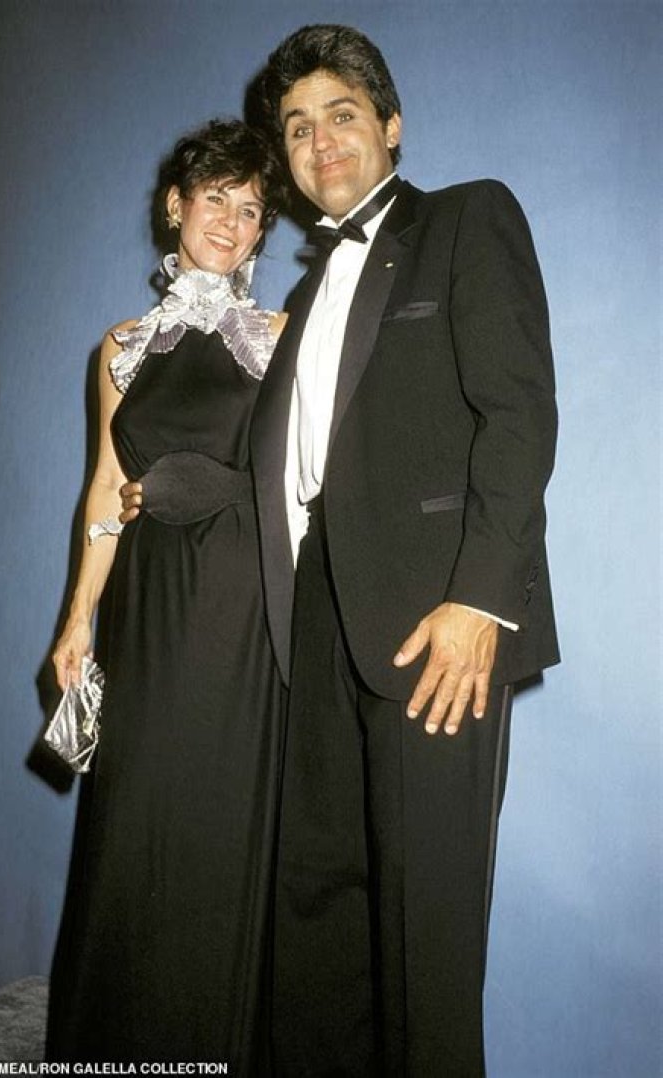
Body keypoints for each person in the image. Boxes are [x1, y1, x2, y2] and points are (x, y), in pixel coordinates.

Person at [246, 25, 560, 1077]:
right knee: (315, 915)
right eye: (298, 127)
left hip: (439, 627)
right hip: (316, 627)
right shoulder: (299, 300)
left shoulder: (468, 217)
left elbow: (518, 415)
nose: (320, 141)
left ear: (391, 125)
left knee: (427, 939)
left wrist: (482, 599)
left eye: (341, 115)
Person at [45, 119, 287, 1070]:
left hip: (241, 607)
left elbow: (307, 483)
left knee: (218, 824)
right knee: (133, 821)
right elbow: (107, 488)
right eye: (214, 198)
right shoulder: (120, 346)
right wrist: (78, 617)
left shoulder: (280, 338)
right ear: (175, 206)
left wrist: (224, 487)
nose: (230, 221)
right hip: (145, 610)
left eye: (251, 209)